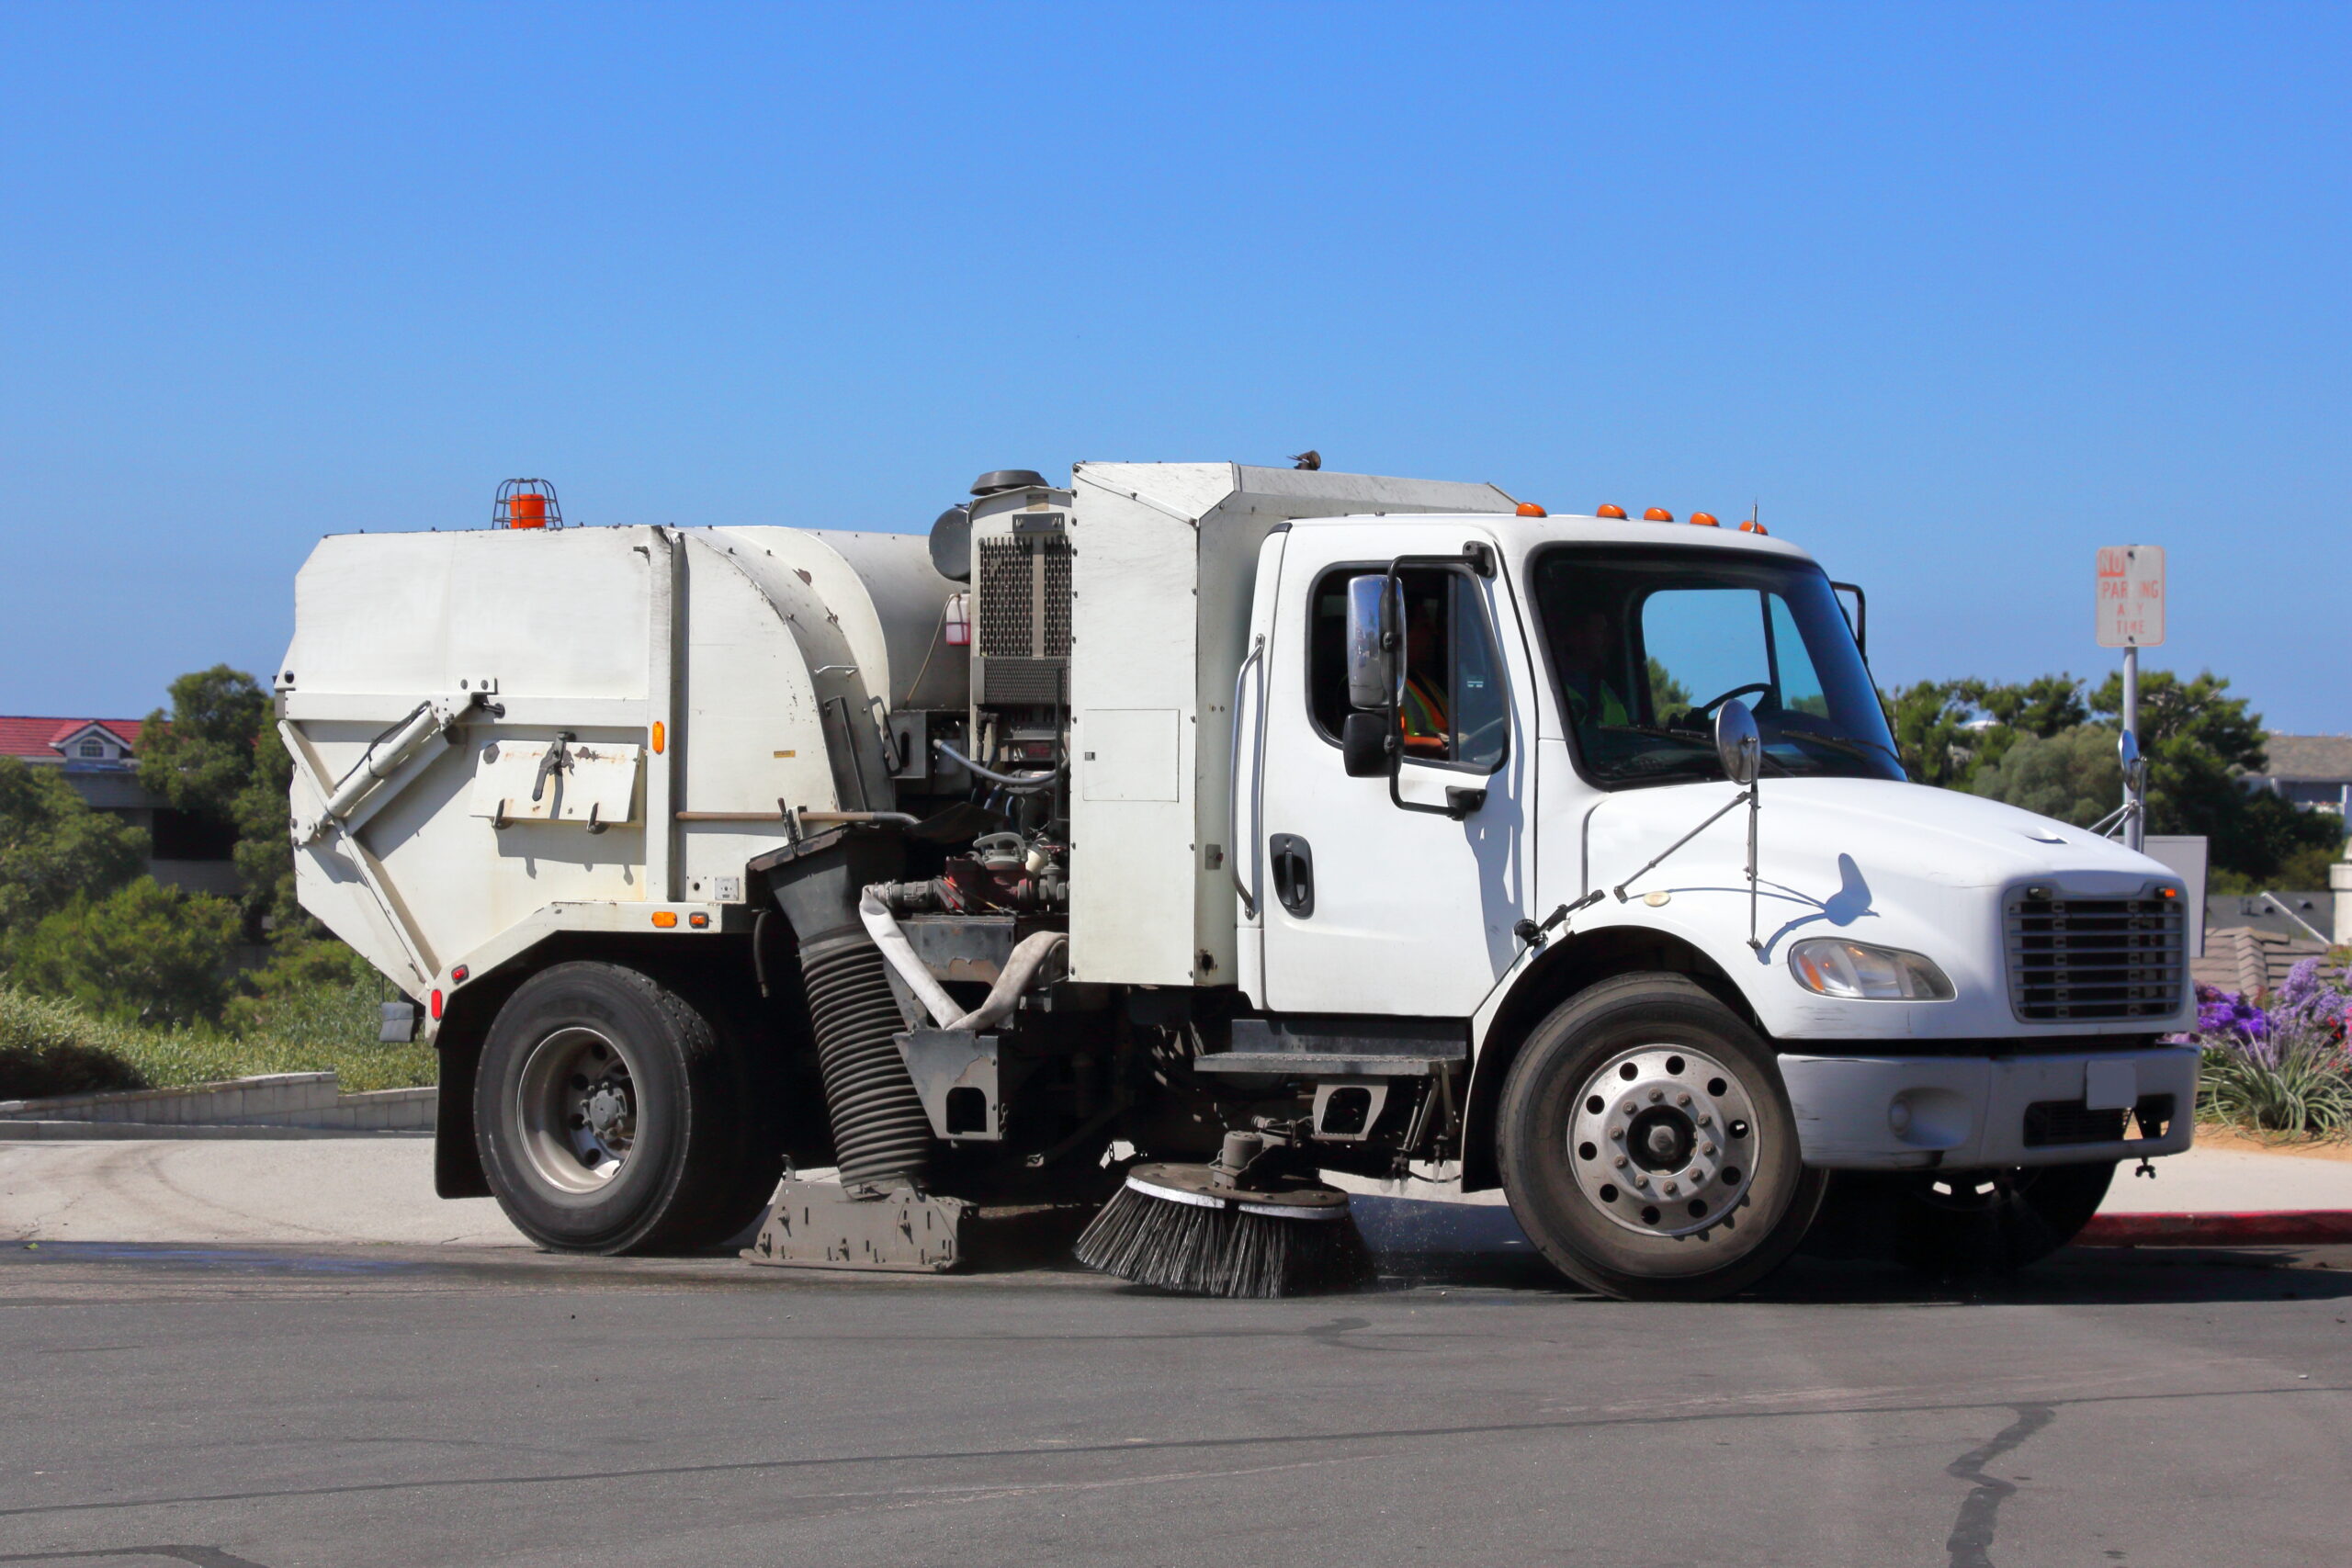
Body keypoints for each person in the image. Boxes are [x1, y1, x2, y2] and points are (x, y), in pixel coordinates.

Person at [1556, 604, 1631, 734]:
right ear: (1575, 636)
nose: (1608, 640)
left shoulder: (1605, 692)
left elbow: (1625, 738)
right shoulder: (1551, 691)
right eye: (1599, 632)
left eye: (1608, 633)